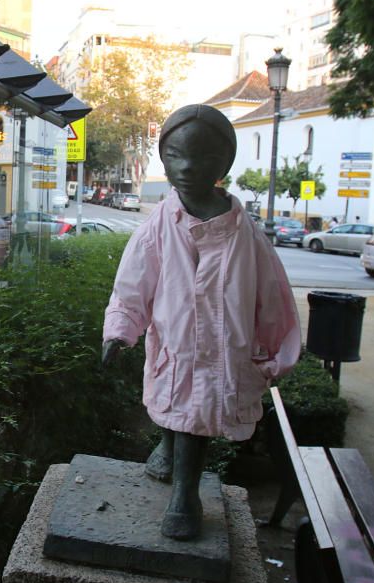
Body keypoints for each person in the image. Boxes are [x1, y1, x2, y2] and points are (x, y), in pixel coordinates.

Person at [101, 104, 300, 541]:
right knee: (177, 398)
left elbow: (273, 295)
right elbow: (133, 282)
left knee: (198, 412)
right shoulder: (157, 226)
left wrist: (275, 350)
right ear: (163, 155)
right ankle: (168, 449)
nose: (187, 167)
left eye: (203, 157)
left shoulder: (245, 234)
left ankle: (184, 497)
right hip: (174, 339)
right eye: (175, 155)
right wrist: (121, 327)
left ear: (223, 163)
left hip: (223, 345)